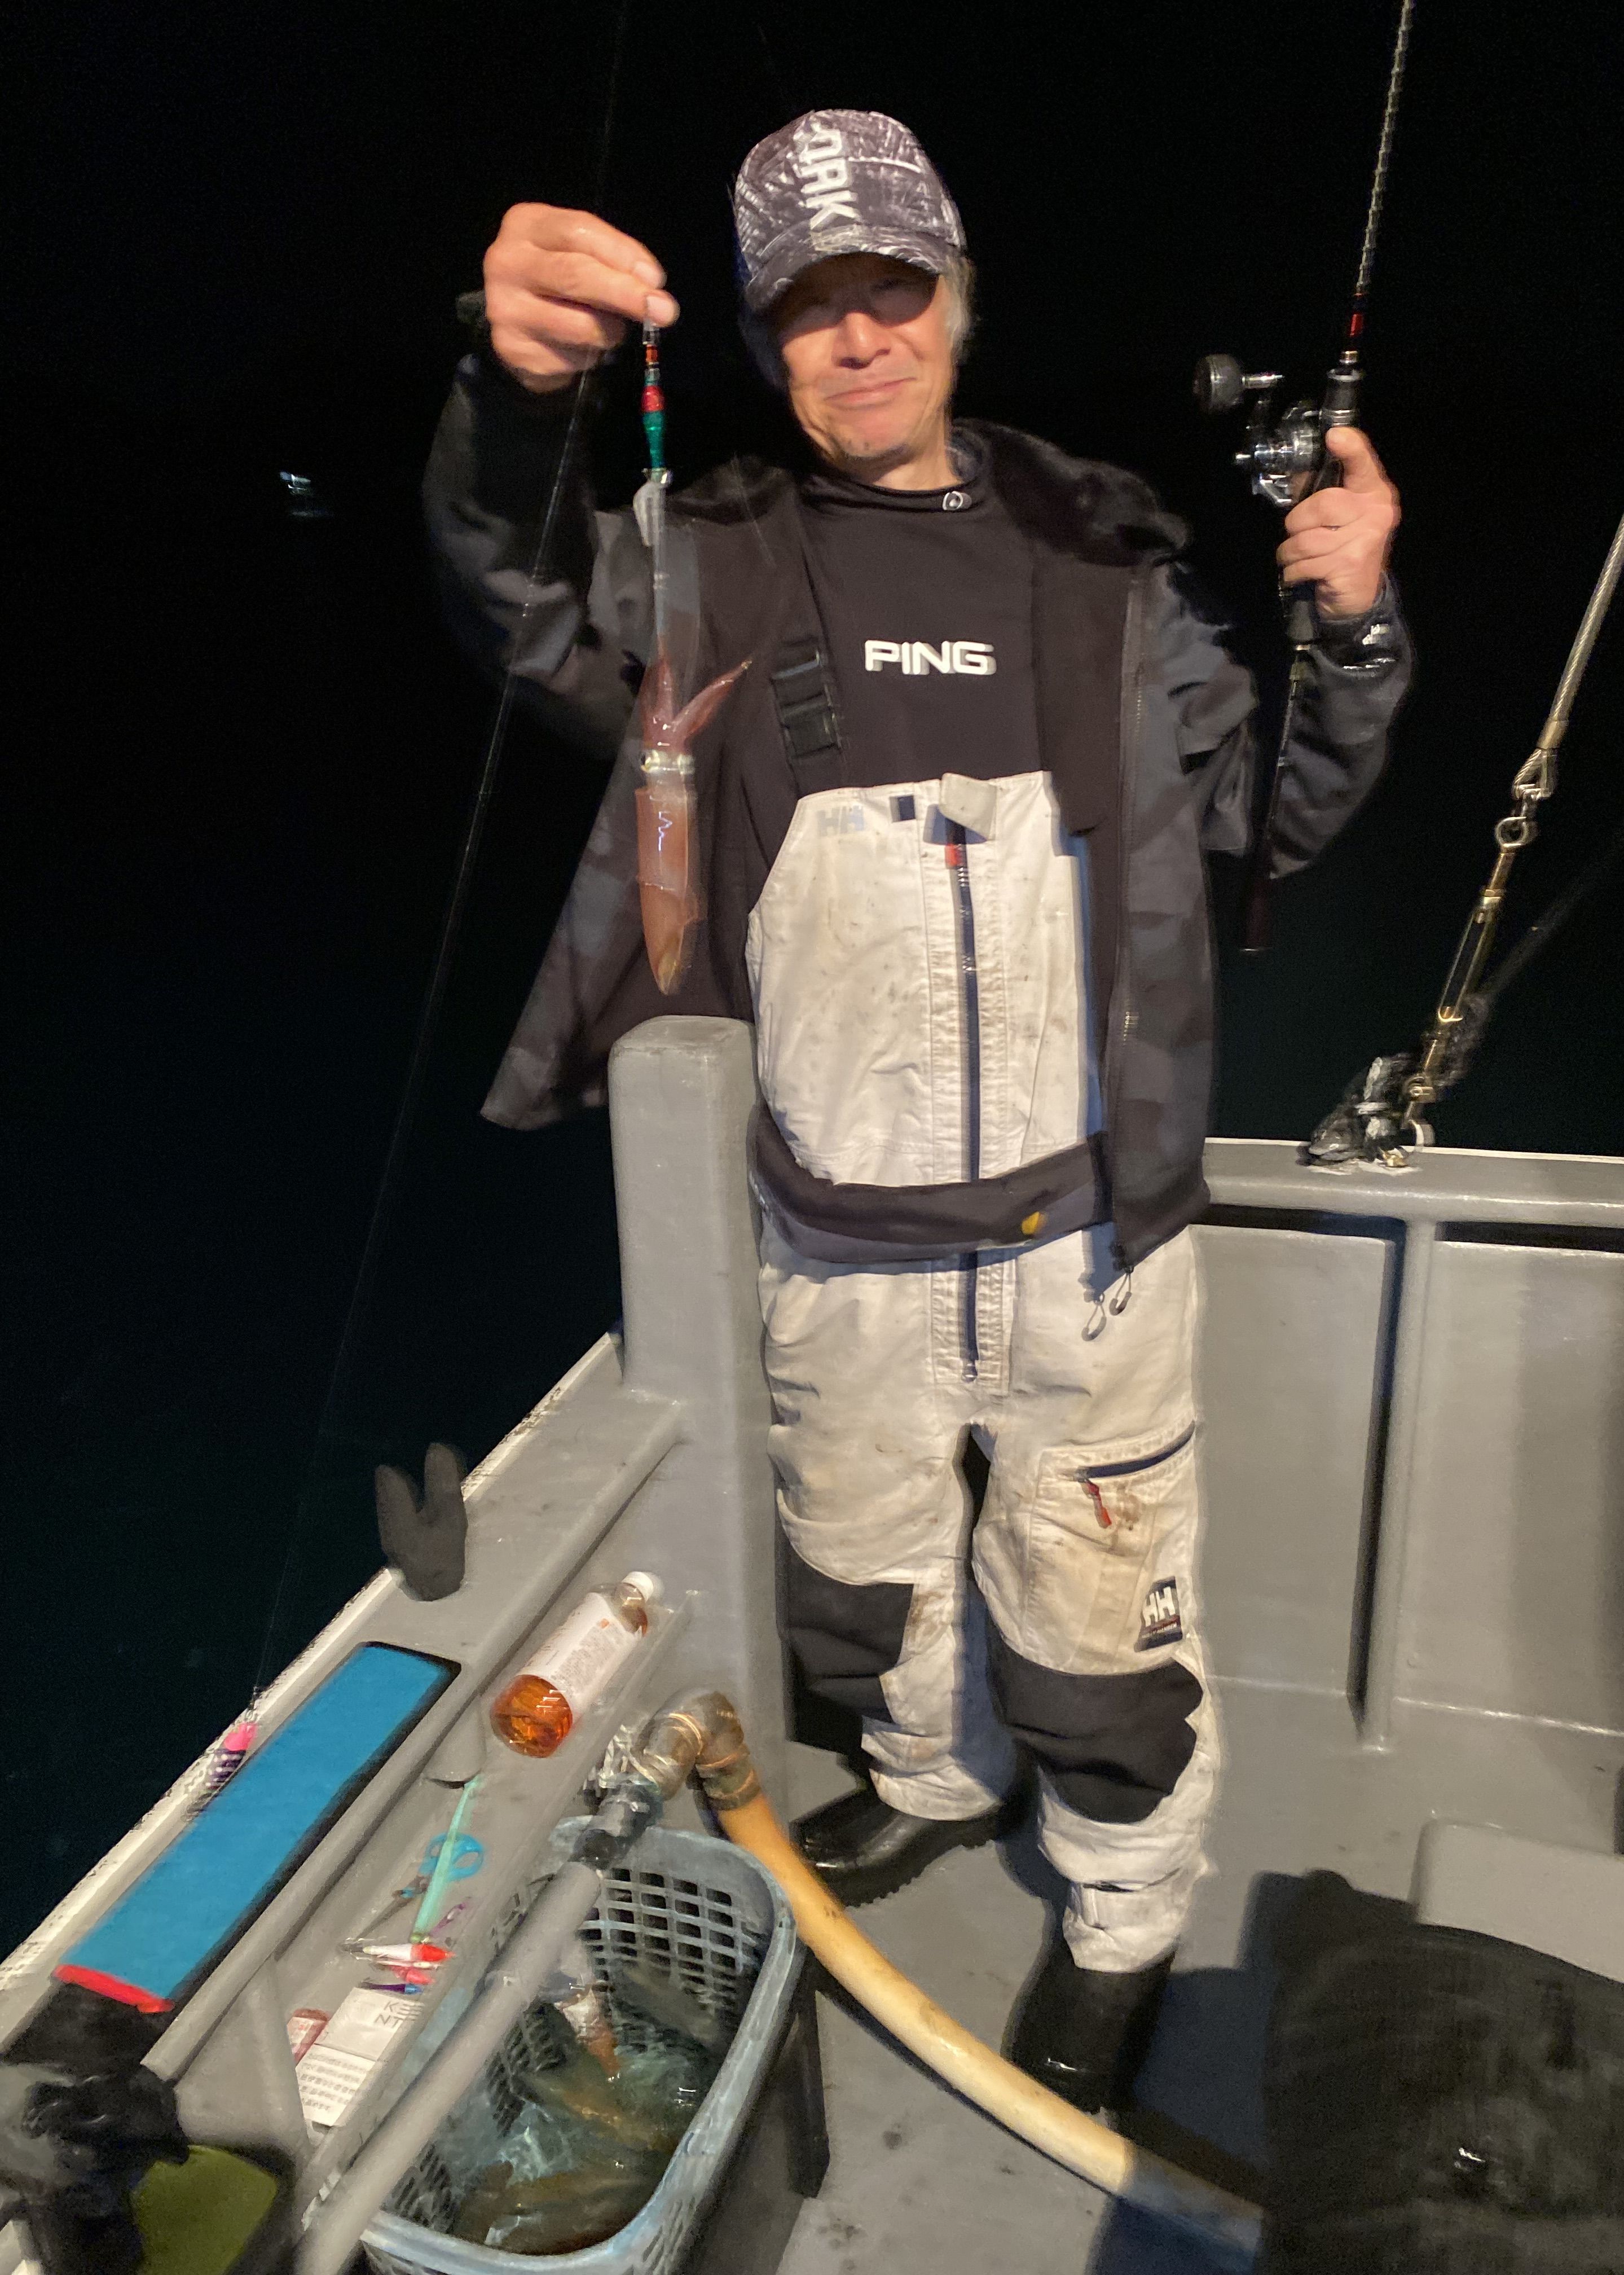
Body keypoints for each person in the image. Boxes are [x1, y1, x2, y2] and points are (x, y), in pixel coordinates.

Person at [425, 108, 1409, 2115]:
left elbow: (1268, 814)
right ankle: (930, 1780)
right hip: (831, 1235)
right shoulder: (706, 564)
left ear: (957, 303)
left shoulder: (1106, 562)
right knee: (860, 1573)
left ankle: (1122, 1916)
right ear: (762, 343)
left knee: (1099, 1618)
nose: (860, 338)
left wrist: (1357, 626)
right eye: (812, 307)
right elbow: (519, 594)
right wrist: (508, 400)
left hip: (1088, 1245)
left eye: (895, 291)